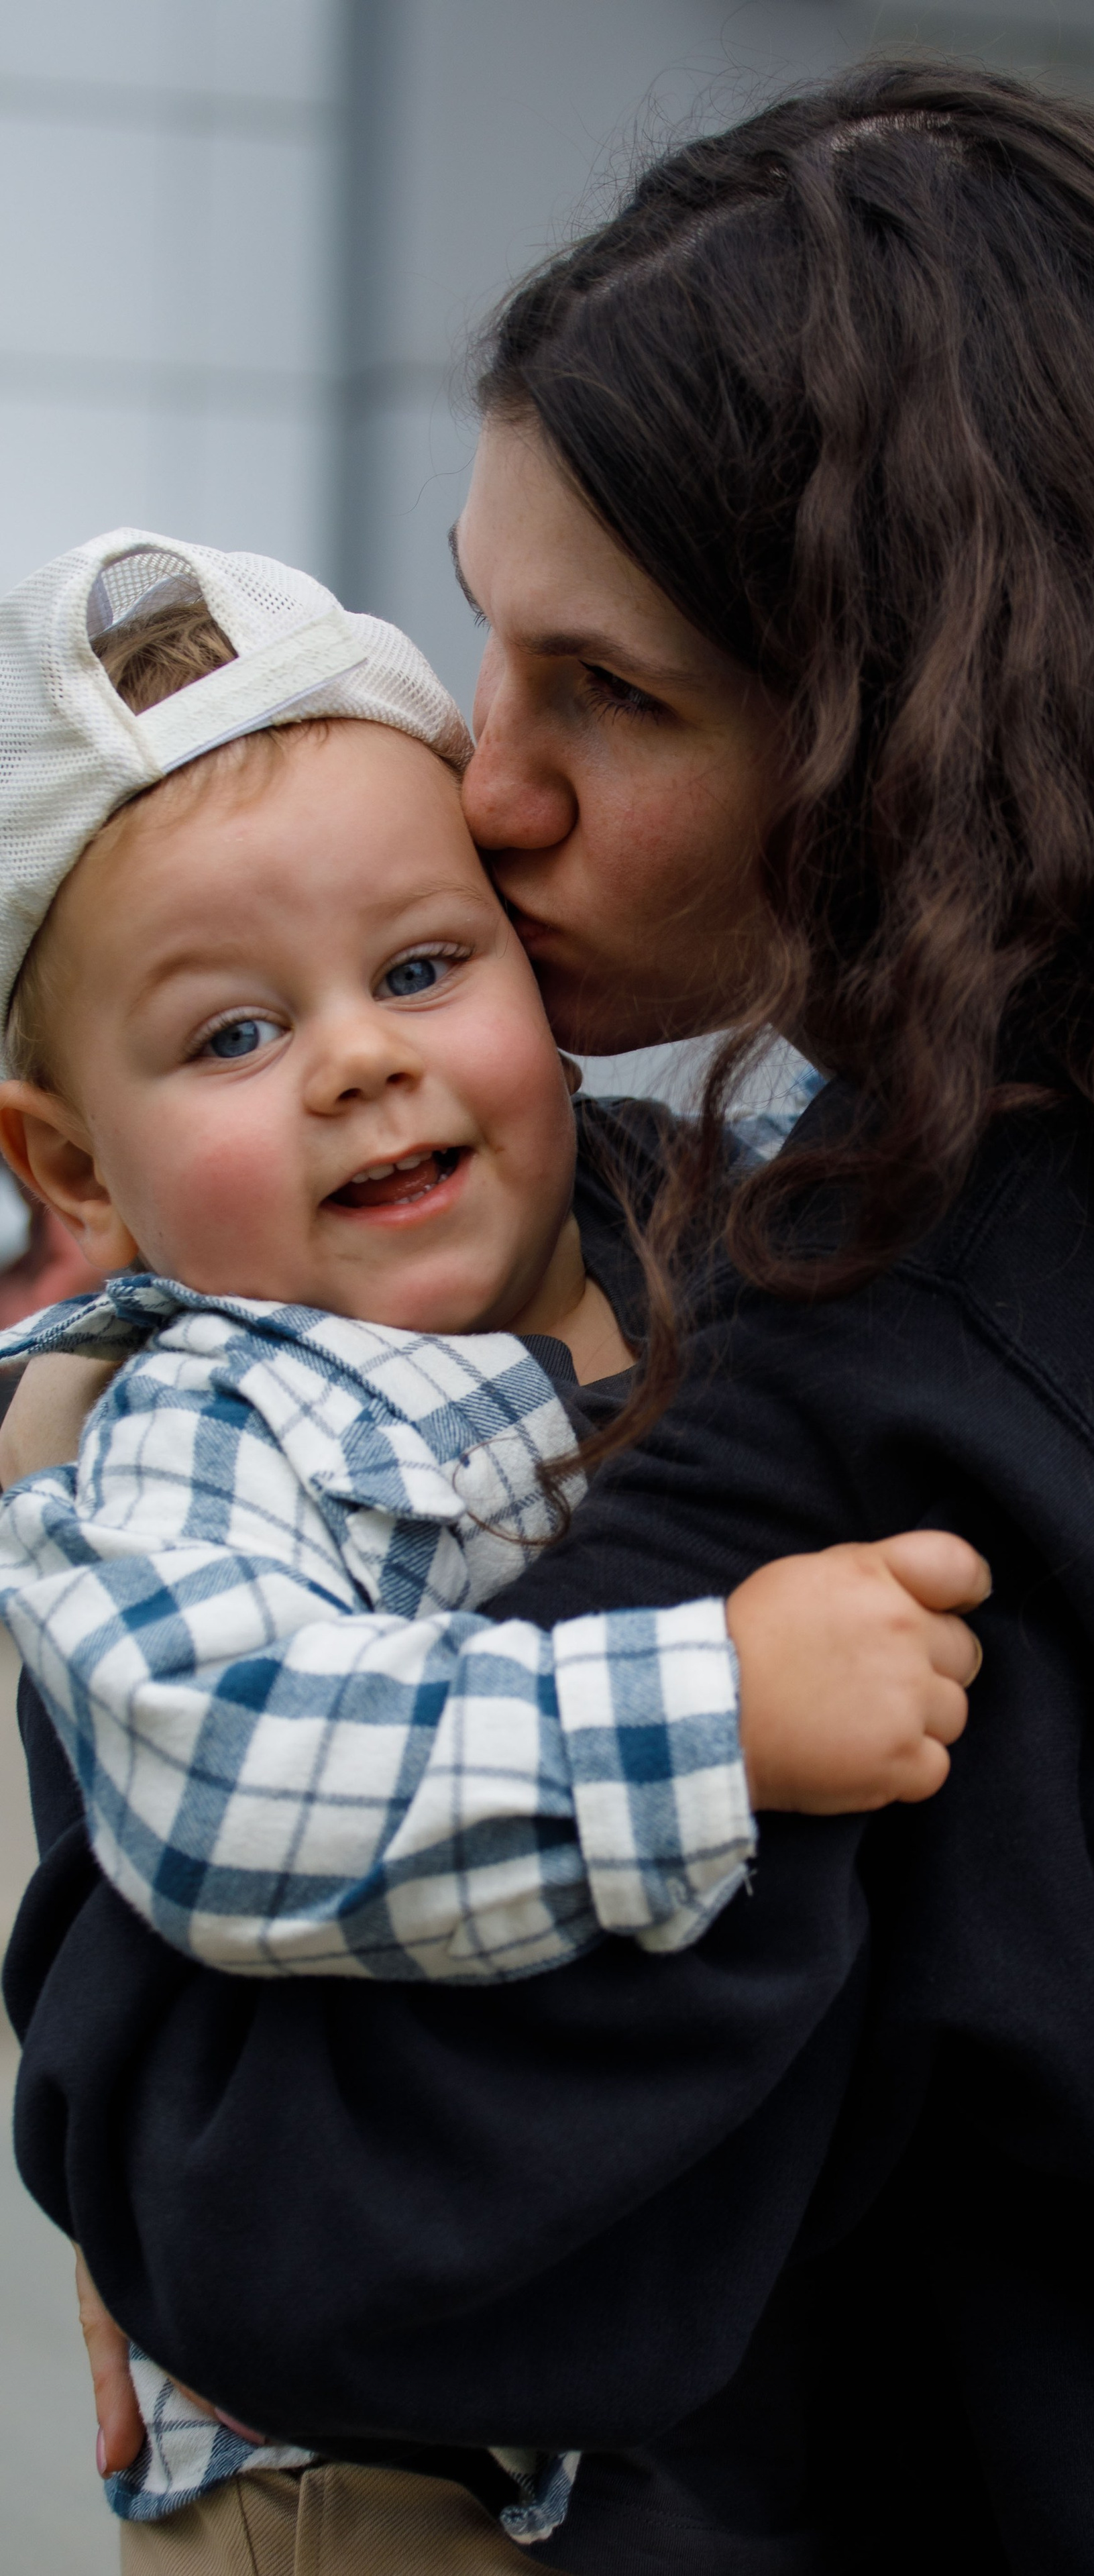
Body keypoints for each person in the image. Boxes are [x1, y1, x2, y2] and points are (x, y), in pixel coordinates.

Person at [15, 55, 1094, 2571]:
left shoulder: (881, 1378)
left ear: (911, 734)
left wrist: (98, 1733)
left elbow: (305, 2229)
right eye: (491, 647)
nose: (489, 790)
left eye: (613, 696)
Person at [0, 527, 982, 2557]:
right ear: (73, 1164)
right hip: (364, 2479)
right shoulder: (208, 1415)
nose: (361, 1056)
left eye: (424, 969)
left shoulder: (657, 1224)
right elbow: (229, 1763)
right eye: (233, 1038)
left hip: (627, 2396)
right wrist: (714, 1711)